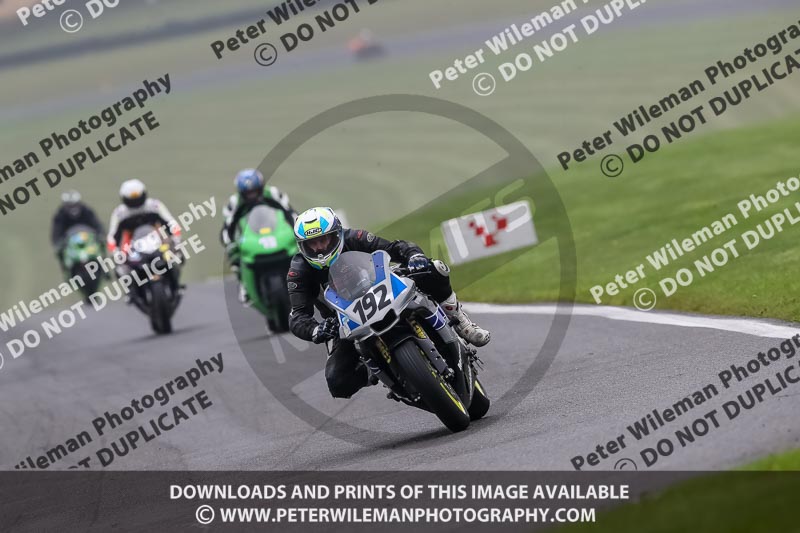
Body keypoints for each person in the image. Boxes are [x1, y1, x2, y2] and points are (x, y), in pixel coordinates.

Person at [287, 207, 490, 399]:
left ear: (337, 234)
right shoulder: (299, 271)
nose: (319, 249)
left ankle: (459, 320)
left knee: (433, 268)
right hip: (344, 320)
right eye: (312, 244)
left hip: (382, 288)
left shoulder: (355, 238)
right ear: (302, 246)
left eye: (323, 240)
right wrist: (317, 330)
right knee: (337, 381)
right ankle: (378, 371)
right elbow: (298, 315)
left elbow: (394, 247)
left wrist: (414, 256)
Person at [220, 169, 297, 302]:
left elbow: (290, 213)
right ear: (241, 193)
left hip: (274, 227)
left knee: (300, 246)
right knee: (233, 254)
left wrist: (296, 230)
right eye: (248, 193)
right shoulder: (234, 202)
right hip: (249, 233)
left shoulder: (273, 193)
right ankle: (243, 284)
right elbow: (228, 227)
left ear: (261, 188)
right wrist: (230, 242)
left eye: (255, 192)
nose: (252, 196)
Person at [106, 179, 181, 270]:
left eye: (137, 198)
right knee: (121, 270)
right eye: (132, 200)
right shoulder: (120, 213)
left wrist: (176, 240)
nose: (135, 203)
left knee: (177, 258)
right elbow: (112, 237)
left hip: (159, 244)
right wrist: (116, 253)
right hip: (132, 249)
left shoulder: (154, 206)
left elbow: (171, 223)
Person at [51, 190, 105, 268]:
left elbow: (96, 224)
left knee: (101, 246)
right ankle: (65, 268)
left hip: (88, 240)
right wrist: (58, 243)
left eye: (74, 205)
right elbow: (57, 231)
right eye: (69, 206)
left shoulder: (86, 211)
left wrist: (100, 235)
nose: (72, 208)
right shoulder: (60, 215)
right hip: (70, 244)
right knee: (60, 252)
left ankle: (103, 266)